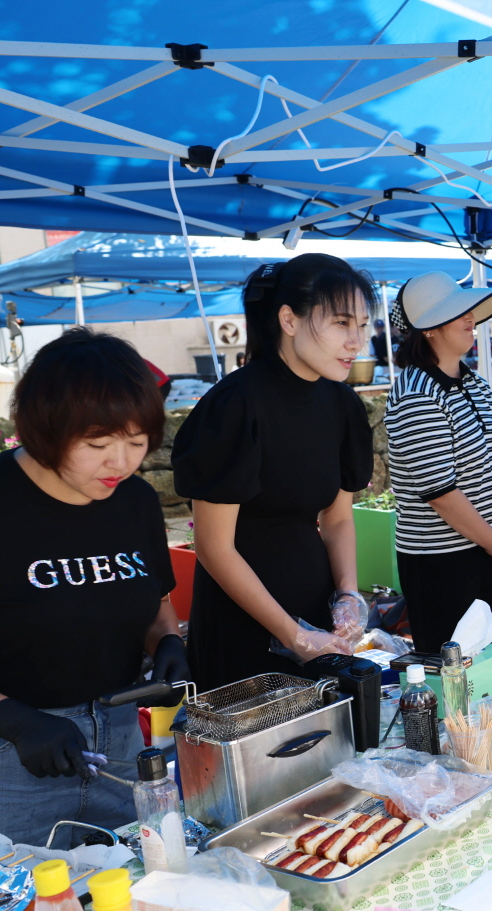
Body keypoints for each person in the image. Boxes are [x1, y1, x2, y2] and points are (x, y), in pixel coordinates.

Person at [0, 329, 187, 849]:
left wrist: (168, 642)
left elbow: (153, 601)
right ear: (45, 429)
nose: (122, 463)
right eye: (97, 444)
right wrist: (15, 721)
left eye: (137, 444)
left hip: (116, 738)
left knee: (132, 895)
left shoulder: (133, 501)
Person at [172, 255, 375, 690]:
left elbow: (337, 519)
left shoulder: (341, 405)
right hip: (241, 626)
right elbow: (213, 547)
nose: (356, 341)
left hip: (316, 617)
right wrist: (292, 634)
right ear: (289, 319)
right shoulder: (235, 405)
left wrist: (347, 595)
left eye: (362, 324)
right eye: (341, 323)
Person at [384, 271, 492, 655]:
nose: (470, 318)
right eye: (456, 313)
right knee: (458, 678)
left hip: (491, 550)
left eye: (469, 310)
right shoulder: (415, 393)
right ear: (427, 329)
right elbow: (440, 492)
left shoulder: (475, 383)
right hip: (441, 563)